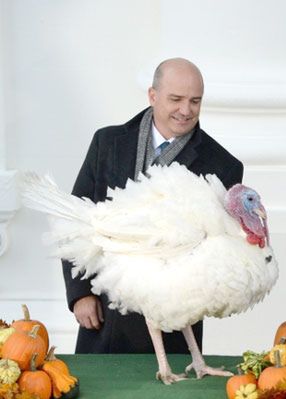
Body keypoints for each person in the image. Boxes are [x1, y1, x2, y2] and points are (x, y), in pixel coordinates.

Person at [63, 57, 243, 354]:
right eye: (176, 99)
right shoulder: (106, 143)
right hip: (103, 317)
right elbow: (74, 219)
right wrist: (80, 294)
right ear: (152, 95)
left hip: (174, 327)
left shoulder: (222, 167)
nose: (186, 110)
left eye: (195, 101)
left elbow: (218, 254)